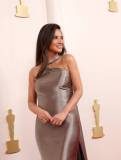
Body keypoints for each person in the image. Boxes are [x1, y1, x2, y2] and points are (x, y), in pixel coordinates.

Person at [28, 23, 88, 160]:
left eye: (62, 37)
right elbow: (30, 102)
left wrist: (64, 112)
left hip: (67, 121)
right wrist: (38, 111)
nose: (61, 41)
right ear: (45, 39)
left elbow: (79, 90)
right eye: (56, 37)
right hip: (44, 128)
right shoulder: (34, 72)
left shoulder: (68, 60)